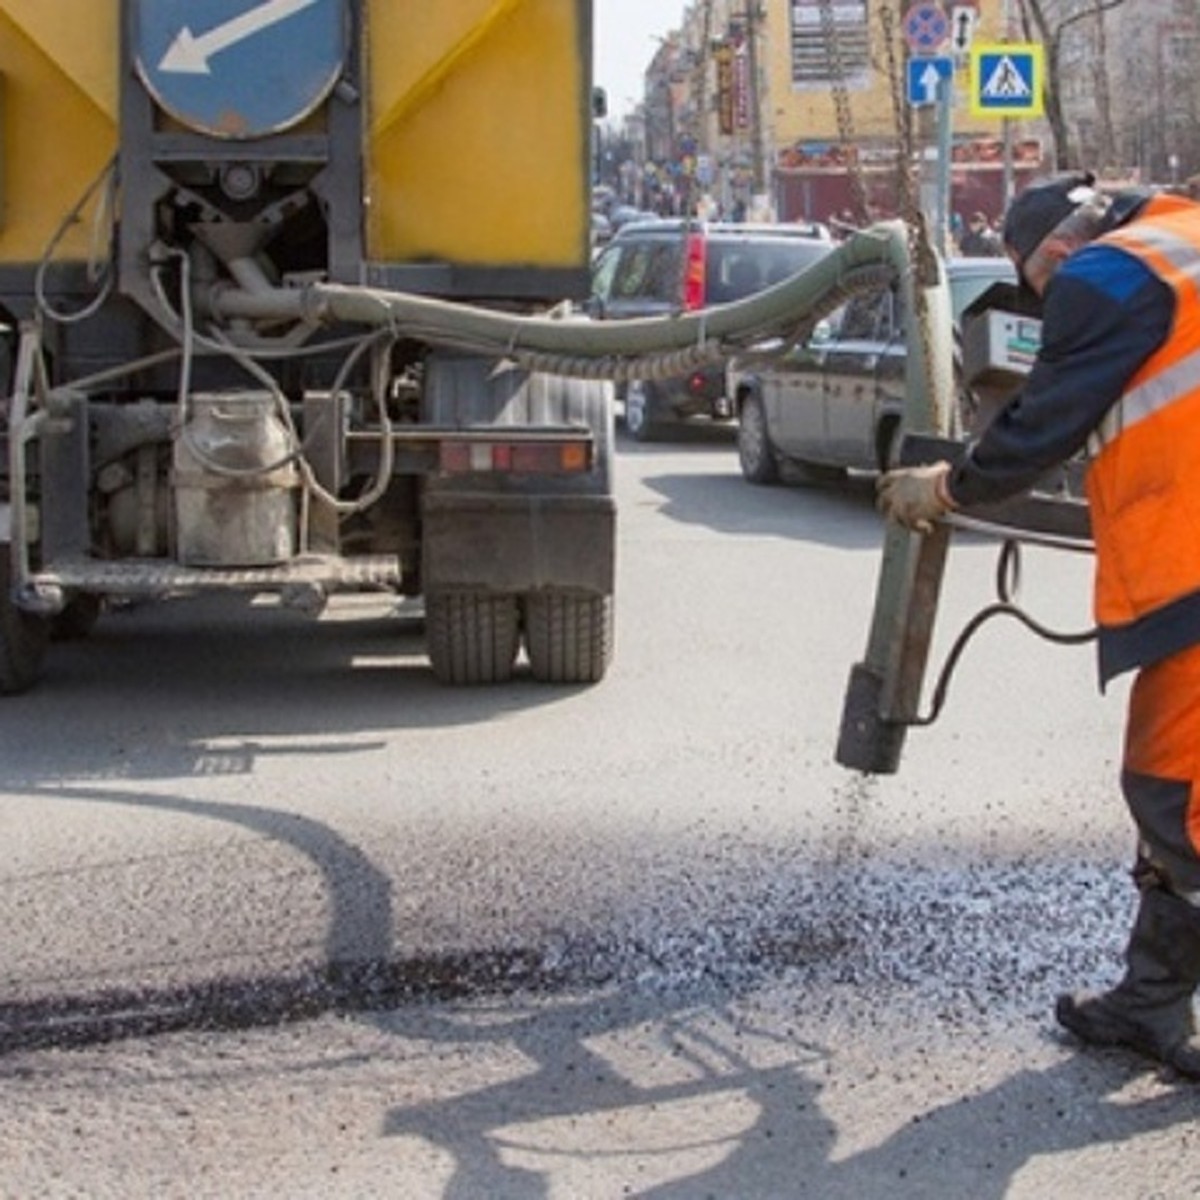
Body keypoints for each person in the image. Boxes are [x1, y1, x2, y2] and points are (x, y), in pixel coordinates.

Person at [877, 171, 1200, 1079]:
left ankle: (1154, 1005)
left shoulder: (1107, 274)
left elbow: (1048, 419)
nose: (1045, 306)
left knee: (1178, 802)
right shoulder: (1184, 242)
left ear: (1056, 254)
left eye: (1037, 288)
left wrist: (946, 486)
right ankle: (1149, 1004)